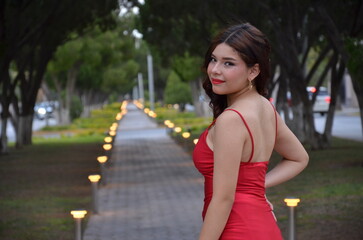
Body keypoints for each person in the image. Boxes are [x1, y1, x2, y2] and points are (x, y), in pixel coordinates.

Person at [192, 23, 309, 240]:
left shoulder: (231, 120)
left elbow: (223, 199)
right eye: (214, 59)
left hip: (237, 229)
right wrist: (253, 189)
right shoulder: (265, 108)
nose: (215, 69)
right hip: (262, 225)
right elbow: (299, 158)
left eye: (228, 63)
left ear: (253, 71)